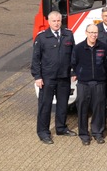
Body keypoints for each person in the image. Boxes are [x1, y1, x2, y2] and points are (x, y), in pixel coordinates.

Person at [32, 11, 76, 144]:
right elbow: (35, 59)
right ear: (49, 22)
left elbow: (73, 55)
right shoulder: (42, 37)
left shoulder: (68, 34)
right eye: (54, 21)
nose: (56, 23)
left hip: (64, 76)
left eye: (58, 21)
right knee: (45, 106)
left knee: (63, 104)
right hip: (47, 78)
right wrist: (37, 76)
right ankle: (43, 132)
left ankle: (61, 128)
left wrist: (73, 72)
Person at [71, 23, 107, 146]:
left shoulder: (104, 47)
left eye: (95, 33)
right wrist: (79, 73)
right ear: (86, 33)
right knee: (82, 109)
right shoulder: (78, 48)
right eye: (91, 32)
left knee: (99, 109)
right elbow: (73, 63)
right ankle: (84, 135)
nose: (93, 35)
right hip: (83, 84)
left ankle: (98, 133)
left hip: (99, 83)